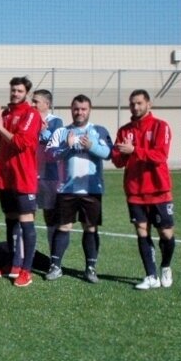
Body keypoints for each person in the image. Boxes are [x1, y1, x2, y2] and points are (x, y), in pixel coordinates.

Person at [111, 89, 176, 290]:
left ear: (149, 104)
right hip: (135, 191)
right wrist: (122, 153)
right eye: (132, 104)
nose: (135, 107)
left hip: (158, 190)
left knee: (166, 233)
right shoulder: (124, 130)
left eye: (139, 103)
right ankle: (150, 275)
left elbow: (160, 156)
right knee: (141, 231)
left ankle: (165, 266)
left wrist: (134, 150)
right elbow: (118, 161)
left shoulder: (160, 126)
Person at [45, 95, 113, 283]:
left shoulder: (99, 131)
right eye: (76, 109)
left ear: (89, 110)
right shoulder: (62, 132)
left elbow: (108, 154)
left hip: (92, 190)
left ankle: (90, 268)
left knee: (90, 228)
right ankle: (55, 266)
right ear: (71, 109)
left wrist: (91, 146)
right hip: (66, 189)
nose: (80, 112)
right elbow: (51, 155)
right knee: (63, 227)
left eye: (83, 109)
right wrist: (67, 147)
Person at [0, 76, 41, 288]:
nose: (15, 94)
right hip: (6, 177)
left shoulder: (31, 114)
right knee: (10, 220)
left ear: (26, 93)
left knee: (26, 221)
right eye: (13, 90)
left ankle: (26, 271)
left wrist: (0, 125)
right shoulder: (7, 113)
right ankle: (13, 264)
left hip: (24, 177)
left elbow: (21, 143)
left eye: (19, 91)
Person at [32, 89, 65, 246]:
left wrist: (43, 131)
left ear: (47, 104)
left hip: (48, 175)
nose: (33, 104)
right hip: (29, 174)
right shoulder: (29, 119)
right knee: (26, 214)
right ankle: (23, 256)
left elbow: (54, 143)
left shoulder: (56, 122)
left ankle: (54, 255)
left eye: (36, 101)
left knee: (49, 215)